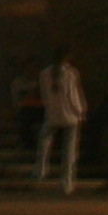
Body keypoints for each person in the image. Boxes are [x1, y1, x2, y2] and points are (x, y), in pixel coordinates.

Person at [37, 42, 88, 194]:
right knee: (69, 150)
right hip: (70, 114)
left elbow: (44, 94)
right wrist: (81, 111)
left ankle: (41, 168)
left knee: (45, 139)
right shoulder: (70, 73)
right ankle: (67, 182)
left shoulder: (44, 73)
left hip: (53, 113)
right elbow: (73, 95)